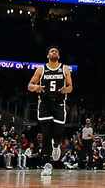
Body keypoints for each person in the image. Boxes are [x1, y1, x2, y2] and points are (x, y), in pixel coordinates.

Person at [27, 46, 73, 177]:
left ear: (59, 56)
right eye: (52, 51)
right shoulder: (41, 69)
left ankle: (56, 144)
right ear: (48, 55)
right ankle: (47, 165)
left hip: (59, 104)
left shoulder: (64, 69)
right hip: (45, 104)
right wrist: (36, 87)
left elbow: (70, 87)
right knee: (46, 134)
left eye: (56, 51)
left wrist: (66, 90)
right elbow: (29, 86)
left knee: (58, 131)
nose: (54, 52)